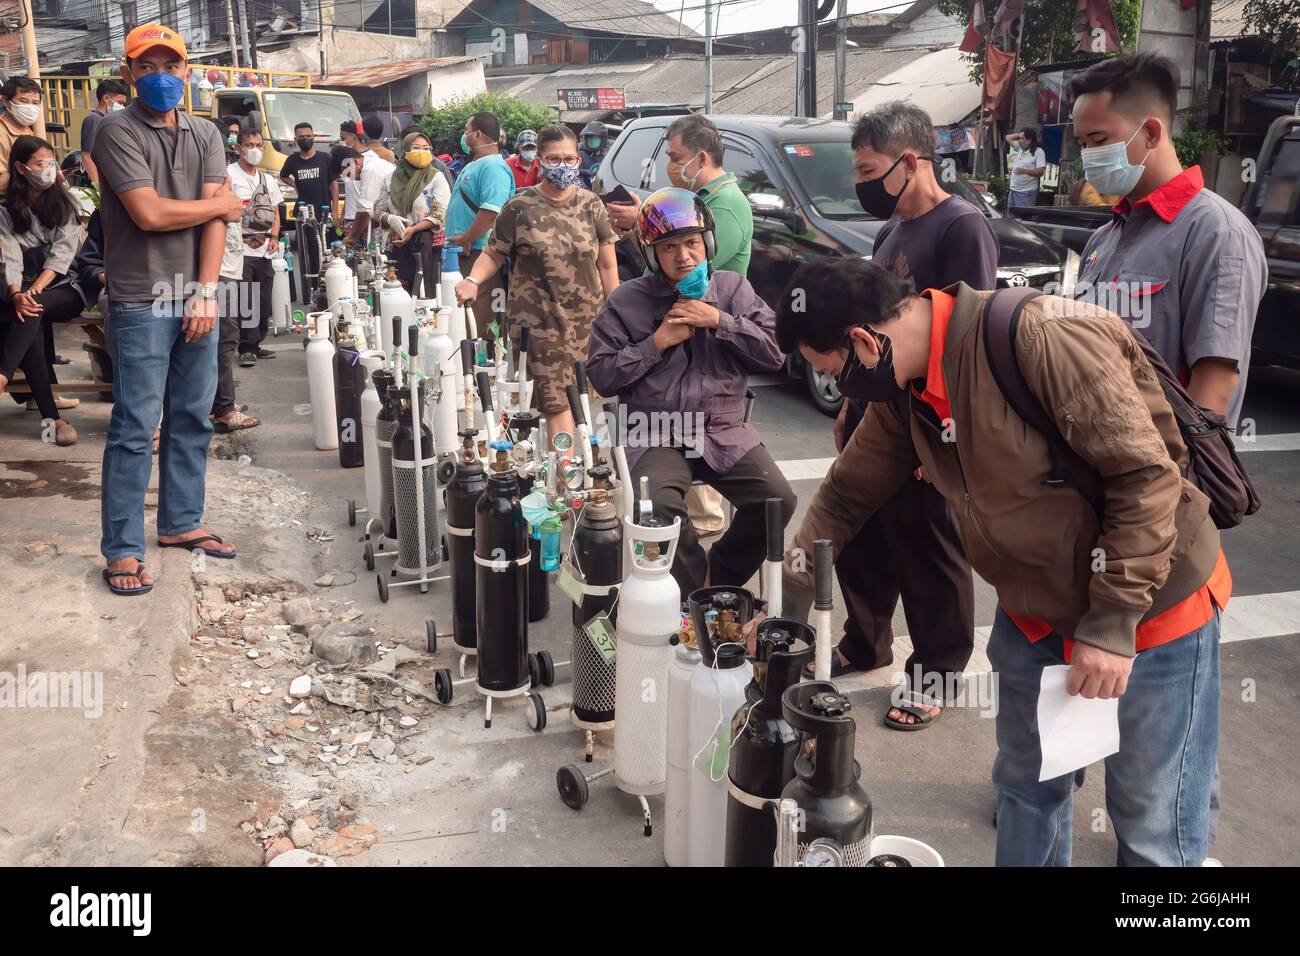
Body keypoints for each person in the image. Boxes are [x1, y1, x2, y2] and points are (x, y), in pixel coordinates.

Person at [776, 257, 1229, 866]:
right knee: (1027, 793)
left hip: (1153, 611)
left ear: (863, 340)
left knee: (1150, 819)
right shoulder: (905, 393)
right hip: (1037, 614)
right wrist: (788, 612)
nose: (840, 388)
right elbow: (844, 496)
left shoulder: (1042, 338)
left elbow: (1146, 479)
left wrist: (1113, 623)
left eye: (833, 371)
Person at [817, 102, 996, 729]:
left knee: (929, 548)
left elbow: (967, 340)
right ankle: (866, 641)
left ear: (910, 162)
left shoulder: (960, 228)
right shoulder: (892, 232)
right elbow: (875, 332)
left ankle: (936, 671)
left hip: (928, 422)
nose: (863, 185)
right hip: (878, 414)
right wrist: (853, 405)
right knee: (862, 537)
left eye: (870, 170)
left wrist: (943, 440)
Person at [93, 23, 245, 596]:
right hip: (139, 296)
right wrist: (221, 204)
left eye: (171, 65)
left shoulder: (205, 132)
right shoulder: (115, 130)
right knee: (136, 425)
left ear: (187, 71)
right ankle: (123, 550)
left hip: (195, 292)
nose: (161, 76)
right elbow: (148, 215)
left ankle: (181, 523)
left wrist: (206, 290)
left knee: (192, 416)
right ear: (129, 73)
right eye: (148, 66)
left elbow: (214, 217)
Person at [587, 187, 794, 598]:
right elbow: (603, 375)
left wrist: (720, 320)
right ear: (651, 255)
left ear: (708, 244)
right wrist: (656, 343)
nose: (683, 256)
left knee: (778, 502)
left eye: (691, 243)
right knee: (657, 510)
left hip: (722, 429)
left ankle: (717, 581)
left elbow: (776, 354)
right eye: (669, 247)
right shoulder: (627, 301)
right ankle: (690, 597)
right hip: (654, 431)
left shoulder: (734, 290)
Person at [1068, 52, 1267, 432]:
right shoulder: (1103, 239)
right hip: (1092, 467)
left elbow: (1215, 385)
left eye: (1098, 140)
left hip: (1160, 478)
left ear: (1152, 133)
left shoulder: (1217, 233)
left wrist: (1175, 484)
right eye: (1082, 143)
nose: (1088, 157)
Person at [455, 124, 618, 448]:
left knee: (585, 403)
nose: (563, 166)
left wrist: (619, 316)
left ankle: (567, 468)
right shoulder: (519, 207)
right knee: (558, 405)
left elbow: (607, 264)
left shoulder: (591, 205)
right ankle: (568, 478)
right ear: (540, 161)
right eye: (554, 159)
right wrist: (472, 280)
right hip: (540, 326)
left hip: (587, 325)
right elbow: (493, 253)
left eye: (570, 158)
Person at [0, 136, 87, 446]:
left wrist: (31, 291)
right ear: (21, 168)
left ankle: (3, 375)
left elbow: (62, 254)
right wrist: (14, 292)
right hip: (24, 286)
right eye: (41, 164)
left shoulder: (66, 202)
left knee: (30, 309)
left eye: (51, 163)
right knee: (29, 318)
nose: (49, 170)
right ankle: (53, 420)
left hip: (67, 286)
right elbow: (9, 256)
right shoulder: (6, 209)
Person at [444, 111, 515, 339]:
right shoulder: (476, 164)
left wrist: (467, 238)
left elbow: (491, 212)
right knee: (467, 316)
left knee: (482, 318)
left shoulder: (493, 167)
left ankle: (484, 369)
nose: (463, 137)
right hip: (464, 252)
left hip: (480, 253)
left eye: (466, 131)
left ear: (477, 134)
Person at [227, 126, 283, 367]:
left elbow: (275, 211)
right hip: (241, 248)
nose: (255, 150)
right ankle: (246, 347)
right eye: (250, 146)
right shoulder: (228, 175)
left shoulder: (268, 179)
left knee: (262, 299)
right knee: (246, 298)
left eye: (259, 145)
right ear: (238, 148)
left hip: (264, 249)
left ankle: (257, 342)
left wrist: (274, 237)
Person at [378, 130, 451, 294]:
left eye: (426, 148)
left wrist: (414, 229)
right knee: (398, 294)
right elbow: (378, 210)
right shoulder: (390, 178)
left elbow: (441, 214)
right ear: (405, 152)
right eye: (416, 148)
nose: (422, 152)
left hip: (428, 247)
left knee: (426, 294)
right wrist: (389, 218)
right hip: (396, 245)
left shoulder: (436, 177)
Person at [280, 121, 332, 301]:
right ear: (295, 139)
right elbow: (283, 175)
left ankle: (329, 288)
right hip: (304, 215)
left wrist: (336, 212)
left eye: (308, 136)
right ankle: (312, 291)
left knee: (327, 252)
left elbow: (333, 184)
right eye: (301, 137)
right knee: (309, 253)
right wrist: (296, 185)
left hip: (324, 212)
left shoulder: (325, 158)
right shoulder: (292, 160)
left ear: (314, 137)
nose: (305, 139)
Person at [346, 123, 395, 249]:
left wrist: (352, 237)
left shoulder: (369, 169)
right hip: (388, 216)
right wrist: (358, 229)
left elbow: (365, 208)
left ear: (355, 163)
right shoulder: (377, 161)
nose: (351, 177)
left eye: (348, 172)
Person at [79, 79, 129, 184]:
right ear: (106, 98)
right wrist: (97, 187)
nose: (122, 107)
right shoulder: (93, 120)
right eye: (120, 102)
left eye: (124, 104)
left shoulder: (109, 120)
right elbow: (87, 156)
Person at [0, 77, 44, 193]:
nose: (30, 107)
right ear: (5, 101)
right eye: (23, 101)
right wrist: (32, 177)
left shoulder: (28, 132)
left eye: (35, 103)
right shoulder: (2, 134)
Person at [1005, 127, 1046, 208]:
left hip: (1026, 192)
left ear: (1029, 140)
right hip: (1013, 190)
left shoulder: (1038, 152)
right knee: (1010, 218)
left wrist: (1024, 171)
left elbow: (1040, 172)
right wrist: (1020, 134)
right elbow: (1008, 138)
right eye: (1019, 138)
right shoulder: (1020, 148)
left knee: (1022, 219)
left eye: (1022, 138)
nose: (1019, 140)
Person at [578, 120, 609, 190]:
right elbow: (573, 175)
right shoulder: (581, 155)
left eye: (594, 139)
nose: (591, 142)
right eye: (589, 139)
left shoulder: (607, 156)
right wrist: (584, 189)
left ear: (603, 140)